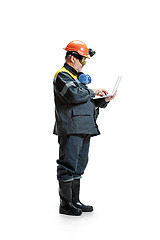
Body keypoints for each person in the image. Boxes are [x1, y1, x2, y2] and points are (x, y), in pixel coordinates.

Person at [53, 40, 116, 216]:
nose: (84, 63)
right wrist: (93, 91)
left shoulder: (76, 78)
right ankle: (65, 205)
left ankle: (75, 201)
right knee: (68, 165)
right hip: (71, 127)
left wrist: (104, 100)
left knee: (80, 164)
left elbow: (84, 100)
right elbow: (74, 96)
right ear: (72, 58)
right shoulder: (62, 75)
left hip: (84, 127)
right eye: (83, 60)